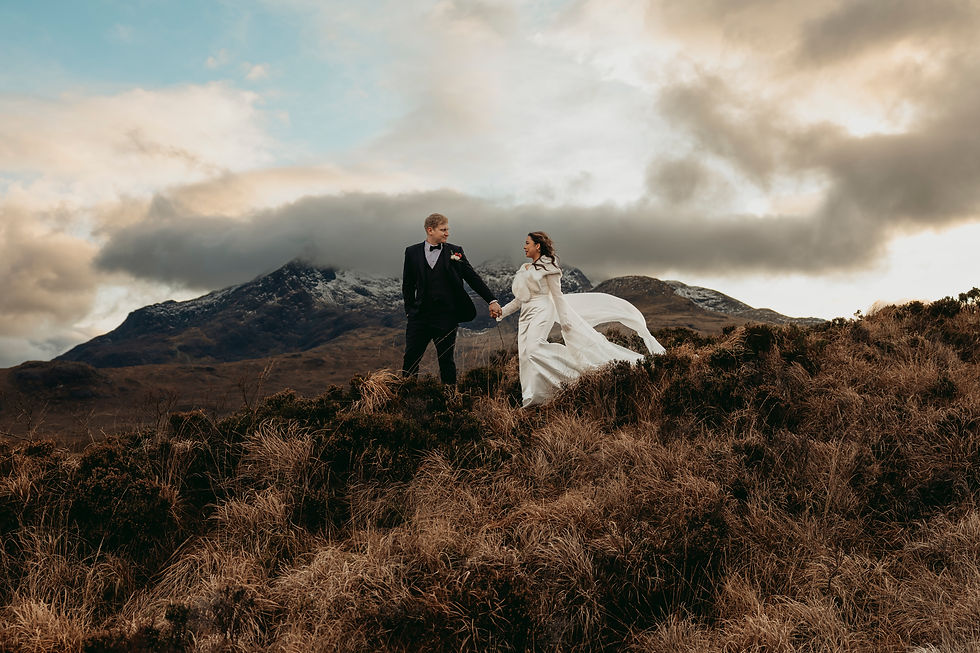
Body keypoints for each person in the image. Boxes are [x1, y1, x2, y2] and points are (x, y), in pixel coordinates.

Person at [497, 231, 665, 407]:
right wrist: (502, 312)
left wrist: (565, 320)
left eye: (527, 243)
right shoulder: (525, 269)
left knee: (534, 349)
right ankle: (535, 398)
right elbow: (519, 299)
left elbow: (558, 296)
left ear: (537, 246)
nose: (524, 247)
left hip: (542, 310)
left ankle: (575, 377)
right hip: (525, 316)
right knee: (525, 356)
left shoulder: (550, 268)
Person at [402, 213, 502, 385]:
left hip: (446, 317)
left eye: (448, 229)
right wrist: (410, 311)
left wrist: (491, 300)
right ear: (430, 230)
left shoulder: (456, 251)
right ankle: (404, 397)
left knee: (446, 360)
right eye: (443, 230)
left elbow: (472, 277)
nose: (447, 233)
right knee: (411, 359)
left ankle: (449, 400)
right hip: (419, 317)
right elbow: (408, 285)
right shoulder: (412, 252)